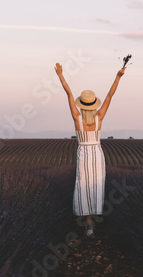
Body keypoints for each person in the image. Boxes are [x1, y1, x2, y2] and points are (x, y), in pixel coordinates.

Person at [54, 63, 126, 238]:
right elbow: (110, 95)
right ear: (94, 105)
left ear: (81, 105)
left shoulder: (77, 118)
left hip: (84, 155)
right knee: (97, 185)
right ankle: (100, 218)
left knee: (83, 186)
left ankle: (90, 227)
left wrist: (60, 75)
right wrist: (118, 76)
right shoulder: (99, 117)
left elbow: (69, 93)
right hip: (97, 154)